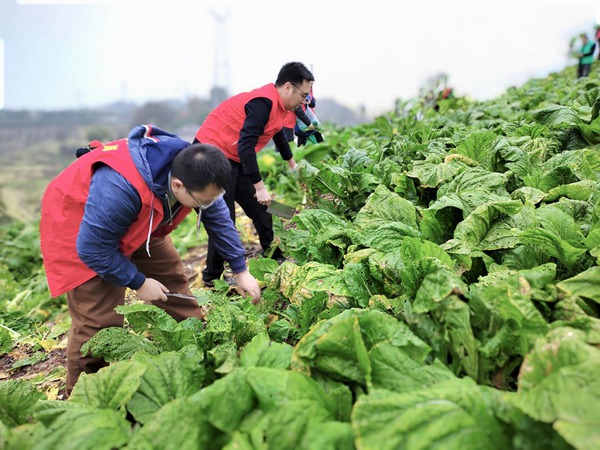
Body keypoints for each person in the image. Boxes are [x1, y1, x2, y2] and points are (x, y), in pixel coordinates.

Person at [40, 124, 261, 394]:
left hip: (144, 218)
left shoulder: (196, 171)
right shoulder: (119, 189)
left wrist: (241, 269)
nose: (206, 206)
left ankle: (194, 342)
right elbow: (93, 249)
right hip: (83, 229)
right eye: (201, 202)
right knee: (98, 320)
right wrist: (138, 282)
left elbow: (217, 217)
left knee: (171, 277)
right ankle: (86, 395)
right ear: (177, 185)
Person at [193, 61, 314, 286]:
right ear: (288, 87)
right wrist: (259, 187)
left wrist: (292, 165)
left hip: (231, 157)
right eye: (303, 95)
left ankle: (275, 256)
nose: (304, 101)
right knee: (224, 218)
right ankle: (212, 278)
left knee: (262, 208)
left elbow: (277, 135)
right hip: (209, 155)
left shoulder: (279, 107)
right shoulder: (263, 103)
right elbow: (245, 147)